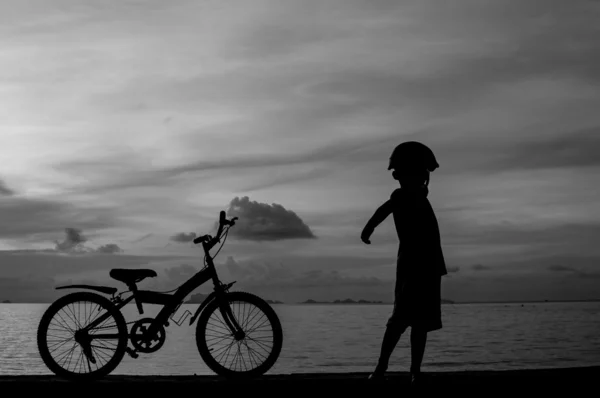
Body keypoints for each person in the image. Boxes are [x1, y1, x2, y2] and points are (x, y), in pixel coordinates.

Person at [360, 141, 448, 386]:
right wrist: (368, 228)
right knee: (401, 320)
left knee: (418, 323)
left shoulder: (419, 196)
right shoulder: (402, 196)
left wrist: (369, 228)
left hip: (428, 266)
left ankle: (414, 371)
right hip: (413, 266)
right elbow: (383, 211)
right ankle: (381, 369)